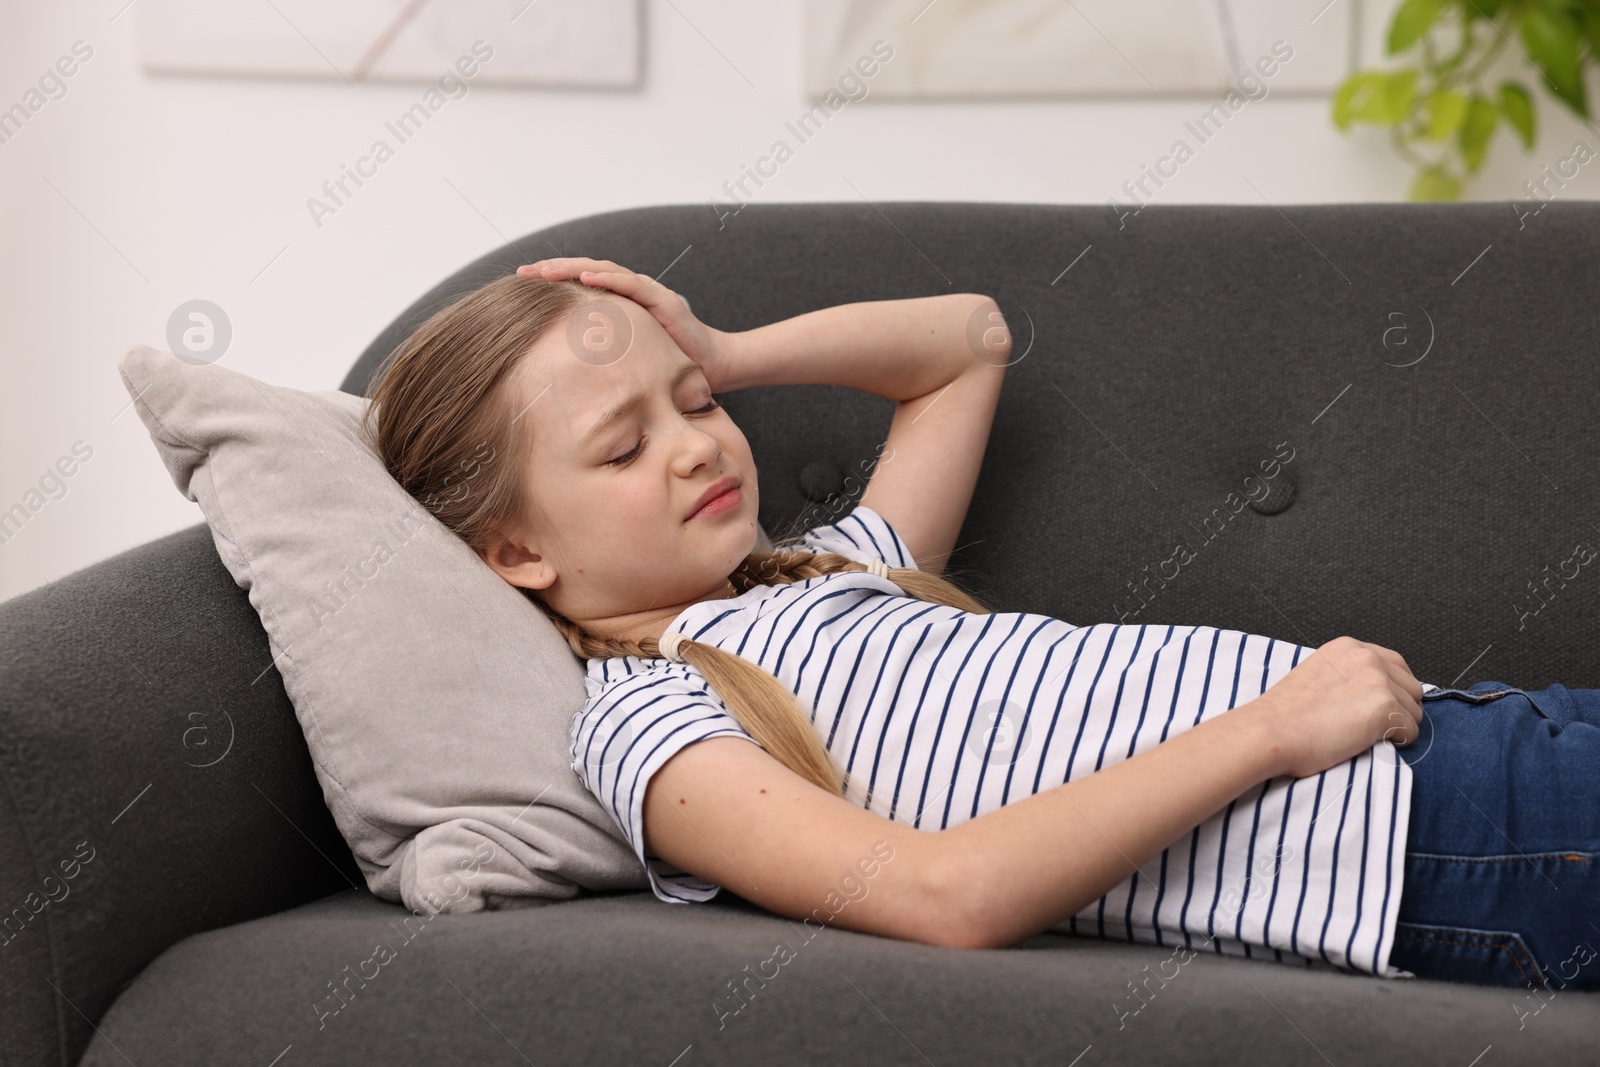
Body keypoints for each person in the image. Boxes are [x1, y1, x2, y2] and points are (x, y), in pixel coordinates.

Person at [363, 257, 1600, 995]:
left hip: (1466, 745)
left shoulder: (829, 568)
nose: (694, 441)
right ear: (516, 549)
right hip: (1427, 847)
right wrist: (1274, 729)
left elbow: (968, 342)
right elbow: (946, 895)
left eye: (692, 403)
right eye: (626, 445)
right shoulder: (646, 718)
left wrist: (728, 348)